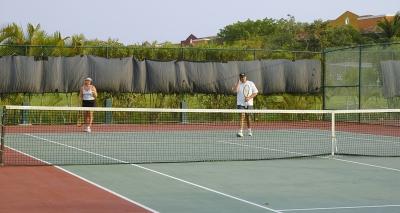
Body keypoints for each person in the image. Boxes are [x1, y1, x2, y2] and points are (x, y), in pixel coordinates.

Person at [232, 73, 258, 137]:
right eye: (241, 77)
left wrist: (249, 98)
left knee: (248, 117)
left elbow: (255, 92)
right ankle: (240, 132)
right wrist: (238, 82)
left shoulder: (251, 83)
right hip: (240, 104)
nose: (242, 78)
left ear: (246, 77)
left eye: (243, 77)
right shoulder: (238, 84)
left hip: (249, 104)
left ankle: (249, 130)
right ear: (239, 78)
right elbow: (234, 91)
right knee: (242, 116)